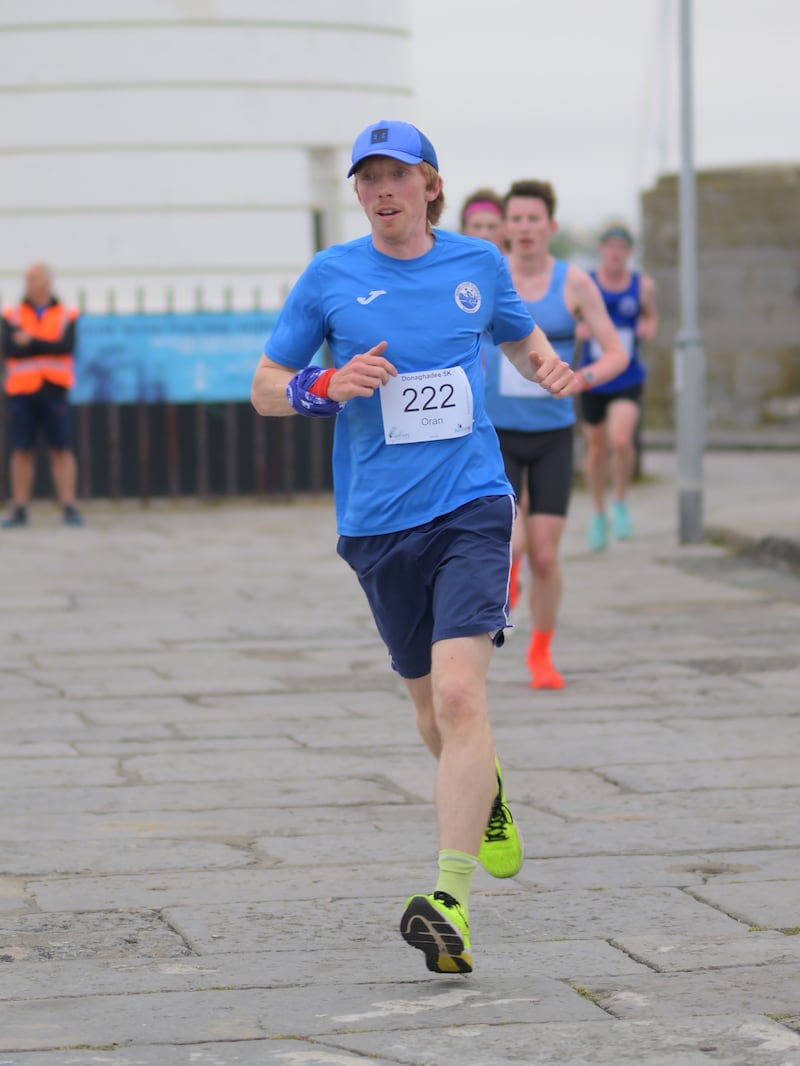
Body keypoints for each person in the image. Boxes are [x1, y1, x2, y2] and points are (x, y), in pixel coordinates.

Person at [251, 121, 578, 976]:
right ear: (356, 192)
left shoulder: (476, 263)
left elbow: (517, 332)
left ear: (432, 184)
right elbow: (262, 389)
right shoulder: (330, 277)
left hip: (472, 504)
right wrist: (323, 384)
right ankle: (487, 789)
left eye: (399, 175)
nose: (382, 190)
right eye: (369, 179)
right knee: (433, 713)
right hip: (376, 522)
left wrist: (545, 364)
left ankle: (450, 904)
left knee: (464, 697)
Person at [483, 180, 628, 689]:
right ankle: (508, 580)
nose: (523, 228)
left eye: (532, 219)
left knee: (545, 552)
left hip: (550, 435)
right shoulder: (484, 275)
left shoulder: (575, 283)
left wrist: (581, 378)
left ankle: (541, 654)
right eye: (515, 220)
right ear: (505, 226)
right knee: (512, 541)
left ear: (551, 227)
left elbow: (616, 352)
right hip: (494, 433)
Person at [576, 224, 658, 550]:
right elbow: (570, 316)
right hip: (594, 377)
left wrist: (647, 326)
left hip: (627, 375)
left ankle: (619, 501)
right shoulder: (586, 282)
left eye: (621, 247)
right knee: (596, 448)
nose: (614, 253)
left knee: (621, 440)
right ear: (601, 250)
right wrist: (581, 327)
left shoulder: (642, 285)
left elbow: (652, 318)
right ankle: (598, 512)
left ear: (629, 252)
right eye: (609, 246)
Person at [1, 263, 83, 527]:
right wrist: (44, 345)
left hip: (54, 389)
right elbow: (11, 348)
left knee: (61, 449)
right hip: (22, 390)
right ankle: (20, 507)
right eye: (26, 279)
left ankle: (69, 505)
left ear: (47, 281)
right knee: (22, 449)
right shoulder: (11, 314)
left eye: (34, 278)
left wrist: (32, 341)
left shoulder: (66, 314)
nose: (29, 284)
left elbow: (65, 347)